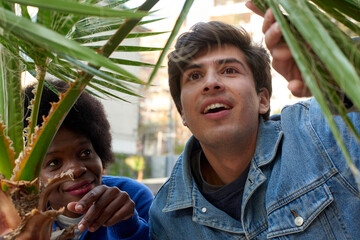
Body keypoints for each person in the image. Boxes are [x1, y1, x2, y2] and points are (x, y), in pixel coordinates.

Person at [149, 2, 360, 239]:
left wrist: (339, 71)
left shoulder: (320, 132)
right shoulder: (166, 219)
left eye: (229, 70)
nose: (211, 83)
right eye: (195, 76)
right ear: (182, 113)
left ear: (263, 100)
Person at [23, 79, 153, 240]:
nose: (77, 169)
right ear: (30, 177)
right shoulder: (18, 219)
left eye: (85, 153)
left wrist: (127, 226)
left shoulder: (134, 196)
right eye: (54, 163)